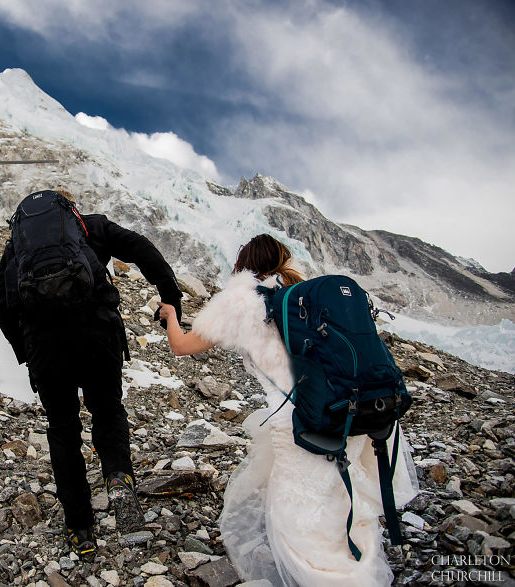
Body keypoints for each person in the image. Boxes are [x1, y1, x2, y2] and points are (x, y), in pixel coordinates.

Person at [157, 234, 418, 587]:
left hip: (300, 424)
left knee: (301, 520)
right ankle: (362, 567)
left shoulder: (241, 301)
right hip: (349, 409)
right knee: (344, 502)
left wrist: (171, 315)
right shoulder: (306, 295)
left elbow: (182, 346)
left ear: (242, 266)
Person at [0, 190, 183, 557]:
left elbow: (3, 305)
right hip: (99, 334)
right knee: (108, 410)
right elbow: (143, 249)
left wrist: (27, 353)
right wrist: (170, 296)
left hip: (46, 348)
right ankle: (117, 477)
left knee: (63, 430)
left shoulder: (17, 249)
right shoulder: (90, 228)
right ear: (70, 211)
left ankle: (80, 529)